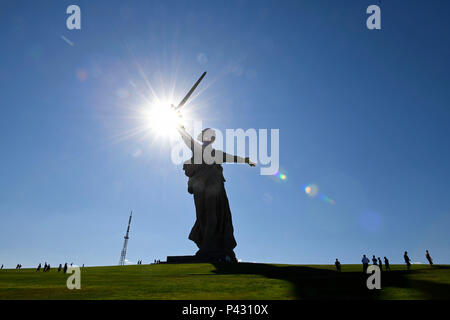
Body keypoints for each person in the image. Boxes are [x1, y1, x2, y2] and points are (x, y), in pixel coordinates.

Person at [177, 125, 255, 262]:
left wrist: (245, 160)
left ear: (212, 139)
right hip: (200, 189)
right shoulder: (198, 149)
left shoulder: (216, 154)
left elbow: (231, 158)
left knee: (215, 215)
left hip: (215, 187)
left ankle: (210, 246)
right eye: (206, 135)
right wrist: (179, 127)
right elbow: (186, 138)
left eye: (211, 136)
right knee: (203, 217)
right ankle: (207, 246)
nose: (209, 138)